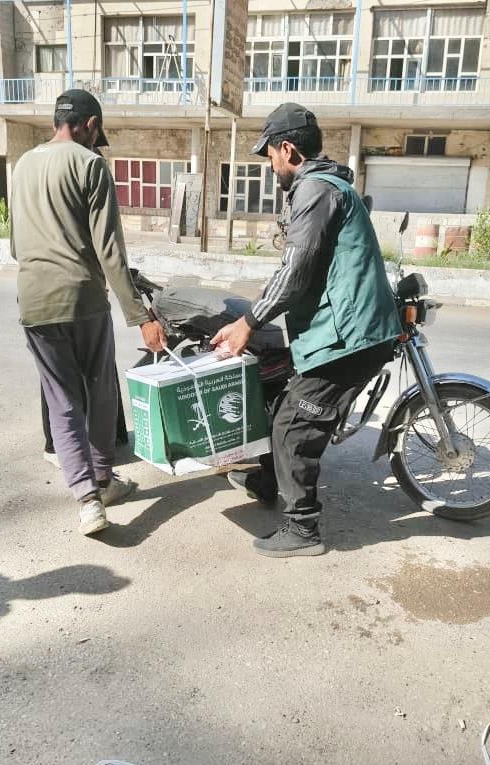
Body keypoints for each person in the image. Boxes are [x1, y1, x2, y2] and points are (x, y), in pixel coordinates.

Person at [212, 103, 401, 558]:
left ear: (288, 150)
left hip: (350, 337)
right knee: (281, 402)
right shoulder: (328, 185)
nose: (271, 166)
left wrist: (248, 322)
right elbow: (300, 267)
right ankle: (268, 480)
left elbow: (296, 271)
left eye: (270, 156)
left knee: (293, 427)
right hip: (343, 331)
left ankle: (303, 529)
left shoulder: (314, 189)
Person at [11, 89, 167, 536]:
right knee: (100, 392)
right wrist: (142, 317)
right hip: (82, 299)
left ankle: (88, 501)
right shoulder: (90, 164)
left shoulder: (22, 165)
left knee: (61, 401)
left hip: (34, 301)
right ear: (91, 125)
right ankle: (102, 478)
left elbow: (15, 246)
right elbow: (110, 251)